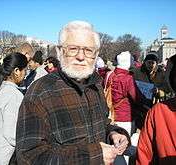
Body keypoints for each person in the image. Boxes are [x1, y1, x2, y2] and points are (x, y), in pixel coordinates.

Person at [15, 20, 130, 165]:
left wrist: (113, 133)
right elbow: (29, 158)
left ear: (96, 54)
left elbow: (102, 124)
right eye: (73, 49)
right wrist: (92, 156)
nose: (81, 57)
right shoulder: (40, 92)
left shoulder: (96, 85)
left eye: (88, 50)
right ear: (59, 51)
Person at [136, 54, 176, 165]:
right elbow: (144, 153)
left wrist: (159, 91)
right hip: (143, 109)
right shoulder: (138, 73)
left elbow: (167, 88)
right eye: (148, 62)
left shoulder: (161, 74)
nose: (150, 65)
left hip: (157, 103)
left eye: (152, 63)